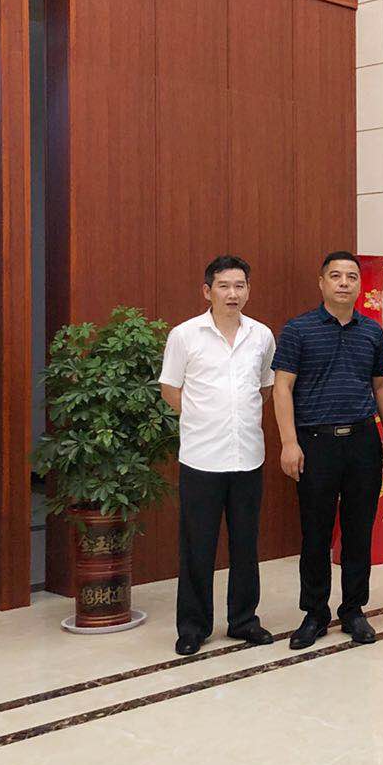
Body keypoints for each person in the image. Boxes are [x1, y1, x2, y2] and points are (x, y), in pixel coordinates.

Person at [272, 251, 383, 650]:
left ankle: (354, 609)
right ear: (321, 282)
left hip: (362, 441)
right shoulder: (299, 329)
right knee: (316, 531)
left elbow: (382, 385)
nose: (344, 283)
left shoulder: (371, 331)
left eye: (351, 277)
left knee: (359, 529)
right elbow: (282, 387)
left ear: (359, 285)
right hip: (315, 442)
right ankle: (314, 613)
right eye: (336, 276)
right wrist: (289, 442)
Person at [158, 255, 277, 656]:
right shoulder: (185, 335)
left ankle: (244, 620)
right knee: (197, 546)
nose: (232, 293)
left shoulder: (261, 335)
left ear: (248, 290)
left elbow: (264, 388)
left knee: (246, 544)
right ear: (207, 291)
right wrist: (202, 418)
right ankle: (193, 626)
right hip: (202, 458)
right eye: (224, 286)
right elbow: (170, 389)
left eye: (240, 285)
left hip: (248, 456)